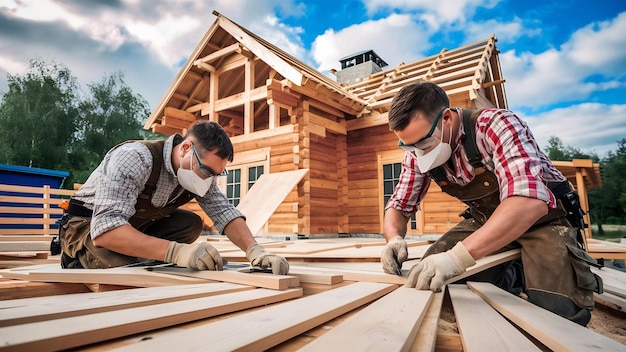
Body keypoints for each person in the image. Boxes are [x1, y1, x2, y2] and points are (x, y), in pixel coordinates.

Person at [381, 82, 602, 325]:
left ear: (446, 118)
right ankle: (513, 273)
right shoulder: (416, 150)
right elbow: (399, 205)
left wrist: (457, 258)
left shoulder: (496, 125)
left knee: (559, 311)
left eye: (423, 143)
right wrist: (394, 239)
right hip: (486, 220)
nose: (417, 153)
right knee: (429, 279)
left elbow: (528, 202)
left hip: (544, 220)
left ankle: (531, 270)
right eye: (408, 146)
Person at [56, 120, 289, 275]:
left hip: (132, 225)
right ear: (186, 149)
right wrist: (177, 253)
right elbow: (106, 229)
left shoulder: (196, 172)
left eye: (216, 174)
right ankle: (77, 257)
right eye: (207, 171)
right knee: (129, 271)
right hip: (87, 227)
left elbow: (224, 212)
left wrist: (255, 251)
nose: (209, 179)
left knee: (190, 223)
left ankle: (144, 253)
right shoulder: (134, 158)